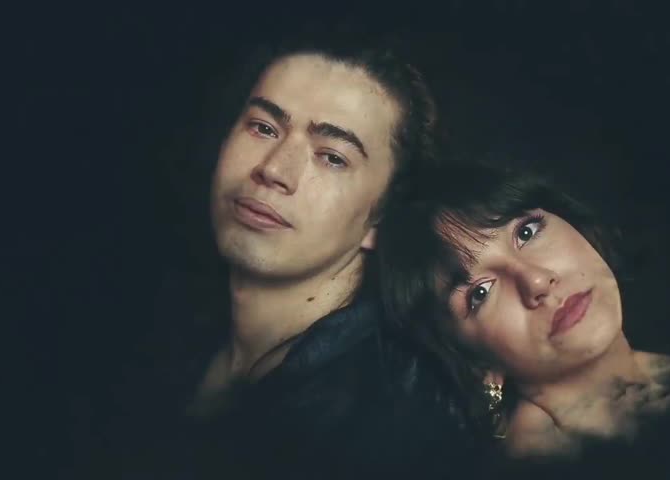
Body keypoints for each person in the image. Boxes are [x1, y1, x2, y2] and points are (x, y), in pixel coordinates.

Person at [99, 29, 475, 479]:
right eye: (263, 127)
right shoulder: (154, 329)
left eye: (332, 157)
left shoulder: (389, 428)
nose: (273, 169)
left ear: (381, 217)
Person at [373, 162, 670, 477]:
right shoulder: (539, 463)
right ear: (470, 359)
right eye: (481, 292)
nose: (536, 281)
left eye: (526, 232)